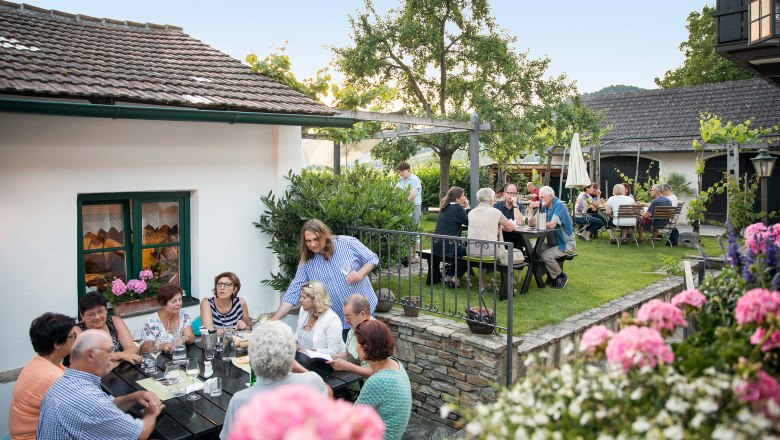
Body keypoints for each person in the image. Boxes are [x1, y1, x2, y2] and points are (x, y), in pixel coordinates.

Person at [37, 330, 164, 440]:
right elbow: (140, 433)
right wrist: (151, 413)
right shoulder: (87, 399)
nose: (113, 356)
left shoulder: (67, 382)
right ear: (91, 355)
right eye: (109, 351)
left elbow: (107, 406)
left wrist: (135, 397)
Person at [270, 219, 379, 340]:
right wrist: (274, 319)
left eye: (316, 239)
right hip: (339, 319)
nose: (312, 244)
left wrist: (360, 274)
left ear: (325, 235)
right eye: (308, 241)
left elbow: (372, 259)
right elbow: (293, 292)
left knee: (368, 351)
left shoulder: (347, 243)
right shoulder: (306, 263)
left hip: (362, 313)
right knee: (346, 354)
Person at [220, 321, 328, 439]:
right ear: (291, 355)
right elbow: (327, 393)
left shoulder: (240, 400)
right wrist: (298, 368)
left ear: (252, 359)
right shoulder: (312, 381)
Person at [9, 313, 76, 440]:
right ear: (57, 344)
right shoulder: (52, 377)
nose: (76, 340)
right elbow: (82, 413)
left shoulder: (39, 361)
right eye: (73, 336)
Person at [353, 320, 412, 440]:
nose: (355, 346)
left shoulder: (378, 382)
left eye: (356, 342)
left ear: (365, 347)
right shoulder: (395, 364)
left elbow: (352, 418)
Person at [467, 188, 518, 289]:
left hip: (471, 250)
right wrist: (499, 226)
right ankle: (508, 285)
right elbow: (512, 227)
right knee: (511, 252)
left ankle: (482, 283)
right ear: (491, 200)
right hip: (489, 252)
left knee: (485, 247)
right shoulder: (495, 212)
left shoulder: (471, 212)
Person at [71, 292, 141, 366]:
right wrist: (122, 356)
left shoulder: (114, 321)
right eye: (91, 314)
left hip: (124, 370)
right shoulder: (77, 330)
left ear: (106, 310)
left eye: (100, 311)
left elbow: (132, 348)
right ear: (82, 316)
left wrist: (116, 362)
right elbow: (91, 359)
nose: (97, 317)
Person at [528, 186, 575, 289]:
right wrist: (531, 208)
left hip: (566, 243)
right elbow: (531, 224)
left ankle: (560, 276)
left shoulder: (559, 205)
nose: (540, 200)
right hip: (552, 243)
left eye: (542, 197)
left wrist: (538, 223)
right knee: (532, 250)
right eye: (540, 198)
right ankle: (548, 275)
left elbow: (552, 224)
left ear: (551, 196)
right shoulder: (544, 207)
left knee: (546, 256)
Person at [328, 294, 374, 379]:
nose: (345, 321)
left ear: (363, 314)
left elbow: (375, 371)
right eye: (344, 316)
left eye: (348, 317)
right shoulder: (352, 330)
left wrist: (346, 366)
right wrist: (326, 357)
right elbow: (348, 355)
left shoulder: (374, 333)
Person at [432, 187, 470, 288]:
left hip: (437, 244)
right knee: (473, 253)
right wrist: (467, 206)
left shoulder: (444, 207)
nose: (464, 198)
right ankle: (455, 278)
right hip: (449, 246)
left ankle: (449, 276)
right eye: (463, 196)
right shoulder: (457, 208)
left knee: (461, 251)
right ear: (457, 198)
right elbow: (469, 222)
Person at [295, 281, 346, 354]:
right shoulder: (303, 310)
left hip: (323, 363)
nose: (300, 300)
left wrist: (310, 352)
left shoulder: (332, 319)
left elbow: (334, 351)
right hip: (304, 360)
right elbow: (297, 334)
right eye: (300, 296)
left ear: (316, 300)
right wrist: (295, 342)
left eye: (304, 297)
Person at [142, 283, 195, 351]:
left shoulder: (183, 314)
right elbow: (144, 348)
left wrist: (183, 339)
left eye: (180, 299)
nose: (179, 303)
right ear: (163, 304)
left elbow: (191, 337)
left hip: (178, 355)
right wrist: (162, 346)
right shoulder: (152, 322)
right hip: (159, 358)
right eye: (174, 301)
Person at [396, 161, 422, 263]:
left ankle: (415, 255)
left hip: (413, 206)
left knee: (415, 228)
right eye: (399, 172)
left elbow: (412, 195)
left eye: (402, 171)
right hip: (403, 207)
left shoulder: (414, 179)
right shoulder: (400, 181)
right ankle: (405, 255)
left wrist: (402, 202)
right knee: (404, 230)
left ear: (407, 169)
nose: (401, 174)